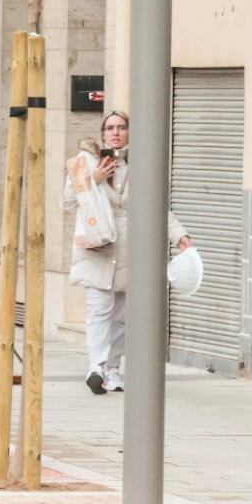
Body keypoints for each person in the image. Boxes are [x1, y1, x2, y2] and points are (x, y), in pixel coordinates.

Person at [61, 110, 191, 395]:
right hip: (98, 245)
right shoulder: (86, 161)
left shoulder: (141, 164)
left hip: (131, 247)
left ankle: (112, 371)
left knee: (120, 316)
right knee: (98, 310)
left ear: (130, 132)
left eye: (121, 127)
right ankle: (96, 367)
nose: (115, 132)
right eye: (109, 128)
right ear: (102, 133)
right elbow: (67, 201)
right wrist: (94, 179)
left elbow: (159, 206)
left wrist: (179, 235)